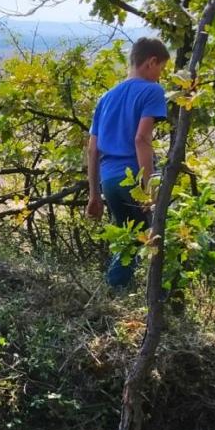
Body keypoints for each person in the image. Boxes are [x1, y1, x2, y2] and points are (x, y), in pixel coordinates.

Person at [84, 37, 171, 289]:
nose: (160, 77)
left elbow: (92, 150)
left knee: (127, 240)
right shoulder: (152, 91)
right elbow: (141, 139)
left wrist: (95, 195)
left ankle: (114, 293)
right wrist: (148, 188)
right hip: (133, 177)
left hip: (109, 180)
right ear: (151, 62)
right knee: (148, 237)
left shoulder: (106, 97)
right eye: (161, 69)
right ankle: (120, 293)